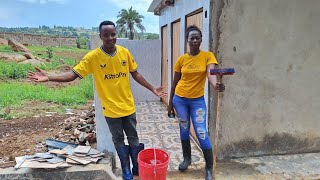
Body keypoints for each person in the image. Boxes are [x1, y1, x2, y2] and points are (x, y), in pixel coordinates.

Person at [28, 20, 166, 180]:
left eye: (113, 34)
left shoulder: (124, 53)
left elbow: (136, 74)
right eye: (106, 35)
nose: (110, 38)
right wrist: (50, 77)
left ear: (117, 35)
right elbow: (72, 75)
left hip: (128, 107)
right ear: (100, 36)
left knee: (134, 139)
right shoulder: (93, 57)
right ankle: (126, 171)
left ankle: (136, 168)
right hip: (111, 111)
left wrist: (152, 88)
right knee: (119, 141)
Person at [167, 25, 225, 180]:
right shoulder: (181, 60)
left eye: (197, 37)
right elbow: (174, 82)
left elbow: (211, 73)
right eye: (191, 38)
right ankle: (187, 159)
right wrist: (170, 103)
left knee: (201, 132)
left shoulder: (208, 56)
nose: (194, 40)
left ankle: (208, 167)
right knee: (184, 129)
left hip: (197, 101)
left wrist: (215, 85)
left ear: (200, 40)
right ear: (187, 40)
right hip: (179, 100)